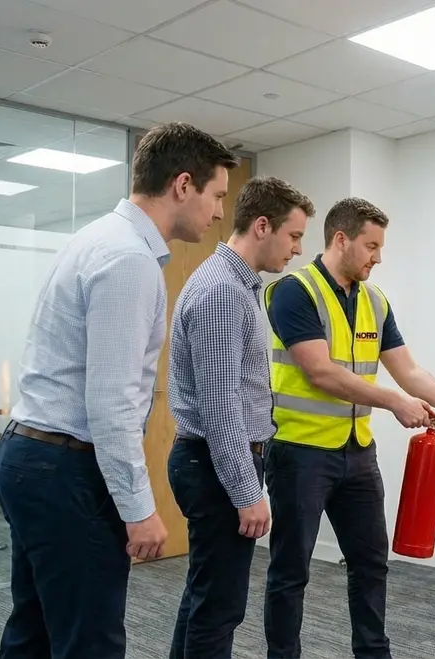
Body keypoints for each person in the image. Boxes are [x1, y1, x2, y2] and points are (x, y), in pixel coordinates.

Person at [0, 122, 238, 659]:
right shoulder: (128, 260)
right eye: (216, 195)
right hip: (62, 469)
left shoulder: (98, 238)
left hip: (32, 455)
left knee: (34, 630)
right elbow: (111, 404)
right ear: (182, 185)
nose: (220, 211)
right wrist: (139, 509)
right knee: (91, 642)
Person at [262, 197, 435, 659]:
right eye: (371, 246)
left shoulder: (374, 299)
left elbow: (408, 372)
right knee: (291, 571)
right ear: (341, 239)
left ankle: (374, 653)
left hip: (356, 453)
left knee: (371, 563)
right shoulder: (295, 290)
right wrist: (393, 401)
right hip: (300, 452)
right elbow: (321, 372)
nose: (378, 256)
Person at [165, 176, 314, 658]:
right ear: (263, 226)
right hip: (214, 464)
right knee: (220, 608)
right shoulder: (221, 291)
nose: (296, 249)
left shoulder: (238, 285)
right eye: (293, 236)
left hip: (216, 462)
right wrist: (247, 494)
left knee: (204, 599)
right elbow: (220, 407)